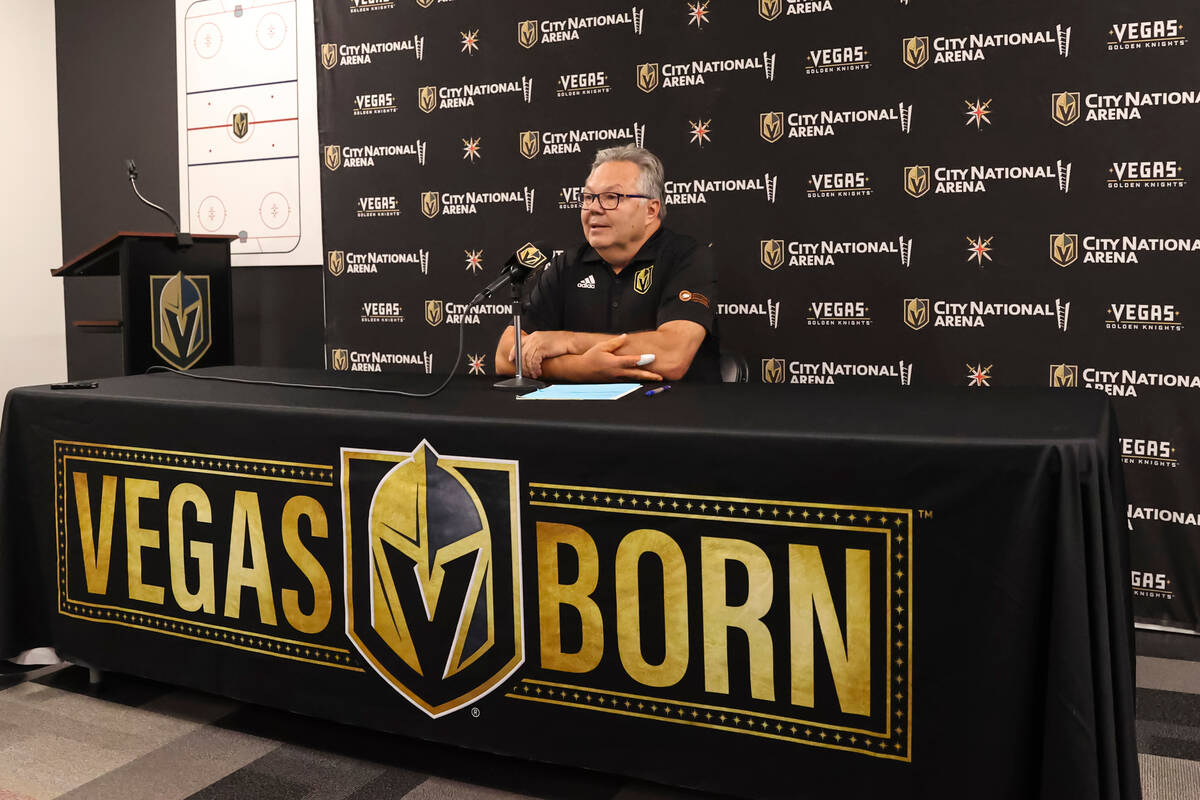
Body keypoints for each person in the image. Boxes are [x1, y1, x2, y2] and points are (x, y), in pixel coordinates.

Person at [494, 145, 720, 382]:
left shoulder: (687, 258)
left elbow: (672, 355)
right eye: (589, 197)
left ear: (651, 210)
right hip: (581, 414)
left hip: (670, 412)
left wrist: (567, 341)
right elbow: (504, 356)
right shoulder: (568, 265)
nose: (593, 208)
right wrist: (579, 368)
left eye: (611, 197)